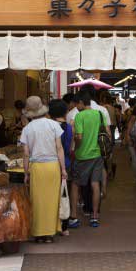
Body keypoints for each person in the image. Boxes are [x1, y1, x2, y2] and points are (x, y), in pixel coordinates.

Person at [20, 96, 67, 242]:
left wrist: (26, 172)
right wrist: (63, 169)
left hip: (37, 168)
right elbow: (59, 148)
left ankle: (38, 233)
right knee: (52, 200)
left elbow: (26, 154)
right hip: (53, 166)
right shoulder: (54, 125)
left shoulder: (27, 129)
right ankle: (49, 234)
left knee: (37, 200)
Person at [70, 91, 104, 228]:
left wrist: (75, 148)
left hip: (82, 155)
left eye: (76, 104)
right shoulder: (99, 114)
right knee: (95, 184)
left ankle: (73, 216)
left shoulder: (80, 116)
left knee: (75, 184)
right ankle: (94, 217)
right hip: (97, 154)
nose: (76, 107)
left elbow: (79, 137)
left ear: (81, 103)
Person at [49, 99, 73, 237]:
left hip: (51, 163)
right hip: (66, 163)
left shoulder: (49, 126)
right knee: (64, 194)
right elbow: (69, 148)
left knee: (51, 195)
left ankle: (51, 224)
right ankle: (64, 227)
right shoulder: (68, 127)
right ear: (65, 112)